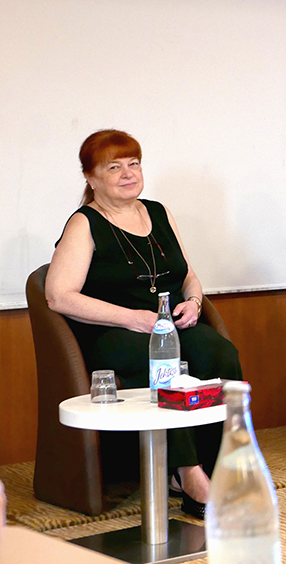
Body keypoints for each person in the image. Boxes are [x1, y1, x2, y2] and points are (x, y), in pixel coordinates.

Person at [45, 129, 243, 518]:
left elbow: (188, 274)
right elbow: (58, 295)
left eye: (133, 164)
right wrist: (132, 318)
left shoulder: (158, 212)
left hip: (168, 325)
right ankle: (188, 474)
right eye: (114, 167)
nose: (128, 173)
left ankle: (223, 466)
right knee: (159, 363)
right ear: (90, 177)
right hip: (112, 332)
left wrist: (194, 302)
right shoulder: (85, 223)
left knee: (219, 353)